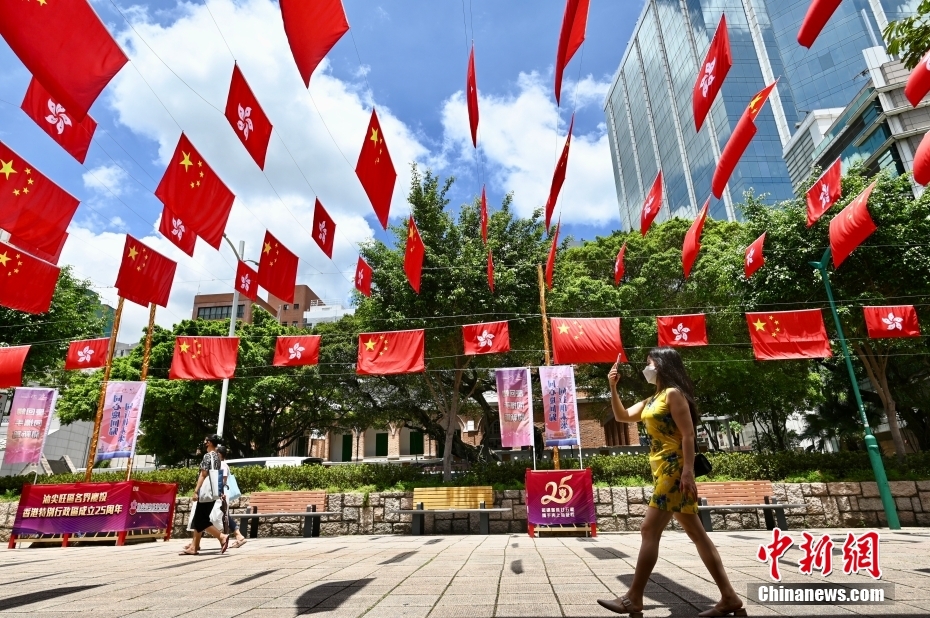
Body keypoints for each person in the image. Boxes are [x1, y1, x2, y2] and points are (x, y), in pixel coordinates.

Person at [597, 348, 744, 618]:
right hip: (662, 470)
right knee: (697, 535)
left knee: (649, 529)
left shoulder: (673, 395)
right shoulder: (652, 399)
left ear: (663, 365)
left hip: (675, 470)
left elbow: (688, 435)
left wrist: (687, 471)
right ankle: (730, 597)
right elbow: (621, 416)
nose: (647, 368)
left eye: (649, 363)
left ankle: (633, 598)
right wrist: (612, 387)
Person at [181, 434, 229, 556]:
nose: (203, 442)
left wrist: (196, 490)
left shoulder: (207, 456)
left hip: (206, 492)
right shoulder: (218, 457)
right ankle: (194, 547)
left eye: (205, 440)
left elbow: (203, 474)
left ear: (208, 443)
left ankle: (221, 536)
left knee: (201, 520)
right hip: (214, 492)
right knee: (200, 519)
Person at [216, 445, 246, 548]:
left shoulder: (222, 465)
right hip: (219, 494)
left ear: (220, 454)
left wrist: (218, 492)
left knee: (221, 516)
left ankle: (239, 536)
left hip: (220, 494)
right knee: (221, 516)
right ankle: (195, 542)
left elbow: (222, 480)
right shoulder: (220, 464)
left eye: (216, 453)